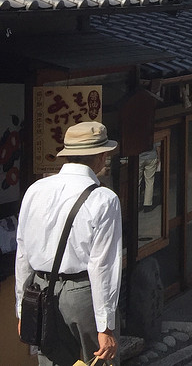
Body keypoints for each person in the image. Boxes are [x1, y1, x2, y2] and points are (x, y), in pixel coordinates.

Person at [16, 121, 122, 365]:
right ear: (101, 155)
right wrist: (105, 326)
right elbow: (103, 266)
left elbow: (22, 254)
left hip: (40, 292)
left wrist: (23, 308)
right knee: (97, 361)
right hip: (83, 294)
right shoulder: (104, 198)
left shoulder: (35, 190)